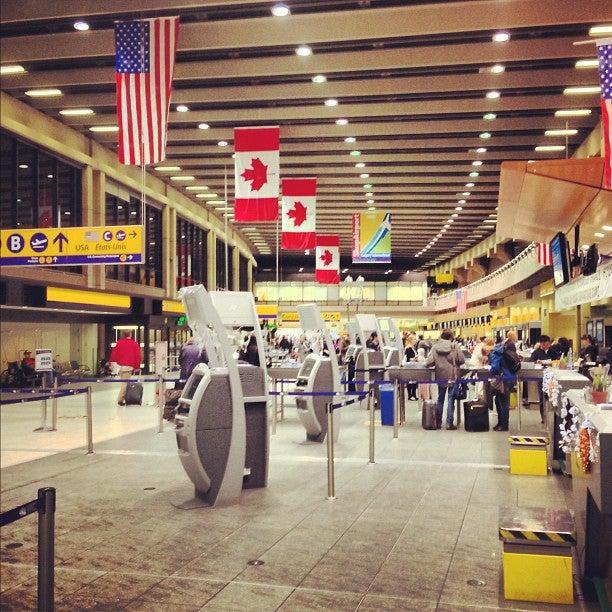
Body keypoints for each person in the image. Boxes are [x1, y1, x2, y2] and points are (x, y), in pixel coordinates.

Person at [425, 329, 465, 430]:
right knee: (451, 399)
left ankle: (438, 422)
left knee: (440, 399)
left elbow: (429, 362)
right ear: (451, 337)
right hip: (452, 375)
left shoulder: (435, 347)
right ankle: (449, 423)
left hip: (440, 375)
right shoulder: (454, 346)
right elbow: (461, 360)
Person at [489, 331, 520, 431]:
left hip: (502, 378)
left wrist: (492, 371)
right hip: (510, 377)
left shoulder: (498, 351)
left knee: (501, 401)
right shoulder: (511, 350)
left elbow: (495, 367)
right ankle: (502, 424)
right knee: (503, 401)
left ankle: (503, 425)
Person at [109, 331, 142, 405]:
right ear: (130, 334)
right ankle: (120, 399)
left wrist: (111, 364)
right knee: (125, 383)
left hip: (120, 366)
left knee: (124, 382)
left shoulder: (119, 343)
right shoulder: (134, 343)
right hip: (128, 366)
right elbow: (137, 356)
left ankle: (125, 398)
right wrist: (137, 366)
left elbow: (114, 354)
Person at [403, 334, 418, 400]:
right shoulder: (408, 348)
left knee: (414, 381)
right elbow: (408, 358)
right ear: (411, 340)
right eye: (414, 339)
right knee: (410, 381)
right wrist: (415, 358)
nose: (416, 340)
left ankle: (414, 394)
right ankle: (410, 395)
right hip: (410, 367)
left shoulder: (412, 348)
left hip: (413, 366)